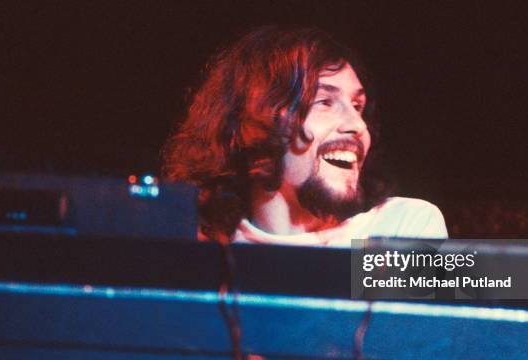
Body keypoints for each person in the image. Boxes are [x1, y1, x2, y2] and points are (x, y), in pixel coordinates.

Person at [162, 26, 447, 246]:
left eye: (358, 107)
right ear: (256, 120)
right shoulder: (201, 246)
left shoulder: (398, 229)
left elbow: (482, 287)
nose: (358, 126)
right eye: (324, 102)